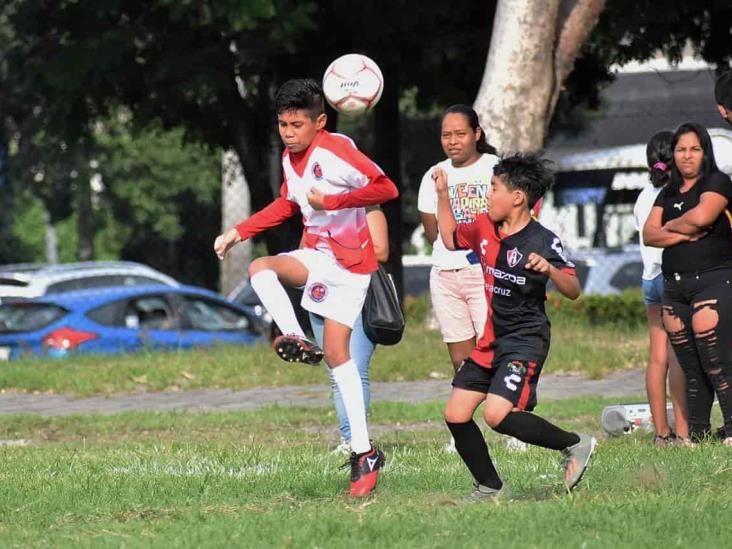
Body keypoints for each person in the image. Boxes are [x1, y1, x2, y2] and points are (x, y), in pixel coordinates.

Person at [214, 78, 399, 496]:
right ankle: (295, 336)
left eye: (296, 125)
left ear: (320, 121)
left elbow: (386, 188)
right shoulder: (288, 158)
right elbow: (287, 204)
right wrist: (237, 232)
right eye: (282, 125)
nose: (288, 133)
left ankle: (364, 451)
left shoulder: (337, 149)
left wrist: (331, 202)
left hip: (352, 264)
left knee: (339, 359)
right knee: (261, 267)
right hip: (317, 255)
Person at [436, 153, 596, 500]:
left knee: (497, 414)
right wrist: (442, 193)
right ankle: (489, 486)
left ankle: (575, 444)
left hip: (525, 340)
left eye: (493, 188)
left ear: (518, 197)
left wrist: (550, 271)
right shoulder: (482, 226)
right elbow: (449, 237)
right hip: (491, 341)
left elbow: (573, 290)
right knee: (456, 413)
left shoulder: (543, 240)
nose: (488, 196)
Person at [643, 122, 732, 445]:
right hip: (674, 287)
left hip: (712, 281)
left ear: (705, 151)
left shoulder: (717, 181)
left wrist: (672, 226)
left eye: (694, 149)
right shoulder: (667, 192)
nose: (687, 156)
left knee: (717, 360)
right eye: (681, 149)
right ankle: (697, 433)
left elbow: (703, 217)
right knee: (690, 365)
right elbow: (649, 234)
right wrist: (683, 229)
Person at [418, 105, 499, 373]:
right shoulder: (434, 174)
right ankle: (465, 414)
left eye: (460, 134)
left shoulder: (495, 169)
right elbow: (434, 235)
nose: (452, 142)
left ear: (477, 133)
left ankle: (503, 412)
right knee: (462, 362)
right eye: (446, 135)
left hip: (484, 272)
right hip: (445, 275)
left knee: (492, 351)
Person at [309, 207, 389, 454]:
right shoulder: (315, 213)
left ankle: (357, 440)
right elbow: (306, 252)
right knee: (336, 372)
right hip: (321, 294)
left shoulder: (368, 210)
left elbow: (381, 251)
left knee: (354, 368)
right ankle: (348, 437)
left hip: (355, 294)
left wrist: (334, 253)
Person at [633, 131, 688, 446]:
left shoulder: (643, 195)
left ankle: (661, 432)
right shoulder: (676, 194)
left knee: (657, 356)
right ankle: (682, 431)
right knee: (678, 354)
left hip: (649, 279)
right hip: (672, 278)